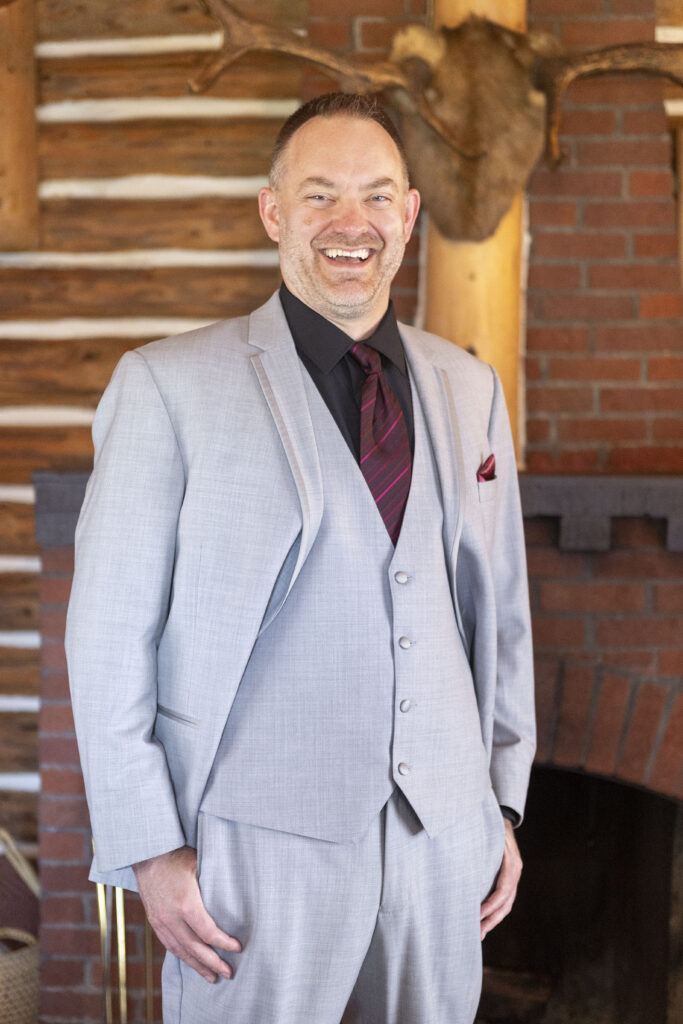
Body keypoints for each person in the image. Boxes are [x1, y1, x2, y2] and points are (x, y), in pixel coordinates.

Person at [65, 91, 535, 1024]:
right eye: (319, 196)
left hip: (443, 842)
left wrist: (500, 810)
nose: (348, 224)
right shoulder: (167, 386)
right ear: (273, 211)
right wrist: (151, 850)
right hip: (252, 857)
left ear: (407, 215)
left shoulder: (468, 389)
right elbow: (108, 635)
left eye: (373, 197)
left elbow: (501, 617)